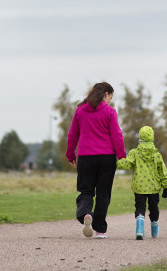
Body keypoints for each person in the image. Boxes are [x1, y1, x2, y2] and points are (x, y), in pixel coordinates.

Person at [66, 82, 126, 239]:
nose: (110, 101)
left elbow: (73, 135)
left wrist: (70, 154)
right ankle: (100, 230)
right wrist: (122, 156)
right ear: (106, 94)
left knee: (86, 190)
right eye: (110, 97)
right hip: (106, 158)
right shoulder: (110, 112)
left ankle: (86, 213)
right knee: (103, 193)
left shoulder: (80, 111)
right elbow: (116, 135)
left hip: (86, 157)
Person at [116, 125, 167, 240]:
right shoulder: (157, 154)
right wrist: (165, 186)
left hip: (139, 187)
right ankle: (154, 229)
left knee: (140, 207)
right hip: (154, 187)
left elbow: (127, 164)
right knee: (153, 208)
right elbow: (162, 171)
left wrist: (117, 163)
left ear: (140, 137)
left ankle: (139, 230)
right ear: (152, 138)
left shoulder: (134, 153)